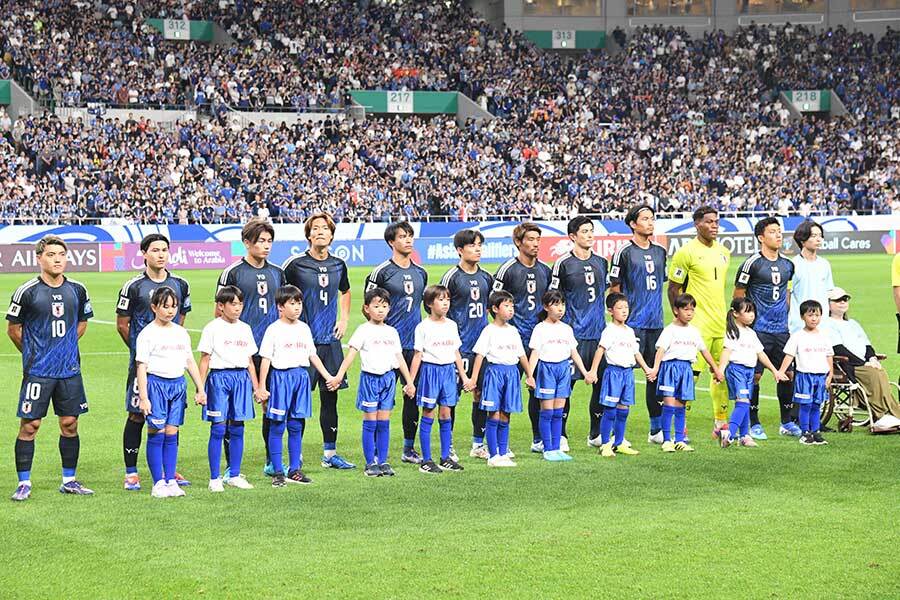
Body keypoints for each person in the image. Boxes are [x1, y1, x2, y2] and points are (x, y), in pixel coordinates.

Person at [8, 236, 95, 501]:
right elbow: (13, 330)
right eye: (51, 255)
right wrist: (36, 352)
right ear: (39, 258)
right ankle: (24, 483)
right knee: (31, 425)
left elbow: (81, 323)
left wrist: (64, 347)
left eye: (61, 254)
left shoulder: (78, 289)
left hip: (69, 370)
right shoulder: (27, 291)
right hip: (38, 371)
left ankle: (69, 480)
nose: (57, 259)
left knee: (70, 424)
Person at [116, 233, 192, 491]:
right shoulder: (133, 286)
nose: (161, 254)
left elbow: (180, 319)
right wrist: (145, 353)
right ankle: (131, 471)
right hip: (144, 365)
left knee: (172, 416)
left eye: (164, 250)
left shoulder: (180, 284)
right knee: (138, 414)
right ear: (144, 254)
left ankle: (168, 470)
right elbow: (122, 324)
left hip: (170, 367)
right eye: (155, 250)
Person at [282, 213, 355, 470]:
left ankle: (329, 454)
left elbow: (345, 291)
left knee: (330, 398)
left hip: (330, 342)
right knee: (299, 400)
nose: (321, 232)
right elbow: (281, 296)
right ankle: (295, 454)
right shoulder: (295, 264)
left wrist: (344, 318)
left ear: (332, 235)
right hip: (303, 344)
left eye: (325, 228)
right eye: (316, 228)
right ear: (308, 235)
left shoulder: (339, 264)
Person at [217, 218, 285, 478]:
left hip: (270, 352)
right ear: (247, 243)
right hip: (240, 352)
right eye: (260, 241)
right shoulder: (232, 273)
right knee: (235, 410)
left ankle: (272, 460)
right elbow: (219, 312)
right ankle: (230, 467)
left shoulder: (278, 272)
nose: (266, 246)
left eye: (269, 241)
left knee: (271, 407)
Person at [328, 288, 416, 478]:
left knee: (384, 422)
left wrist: (409, 382)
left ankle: (382, 461)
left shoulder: (392, 332)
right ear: (367, 308)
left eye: (384, 306)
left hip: (388, 380)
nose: (381, 310)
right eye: (376, 306)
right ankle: (370, 463)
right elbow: (351, 355)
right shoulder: (363, 330)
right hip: (370, 380)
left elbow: (399, 358)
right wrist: (338, 376)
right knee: (370, 423)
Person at [258, 286, 335, 487]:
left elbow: (312, 355)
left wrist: (328, 376)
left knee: (296, 424)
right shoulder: (273, 329)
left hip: (301, 377)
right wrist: (261, 387)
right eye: (292, 303)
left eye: (299, 303)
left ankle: (294, 469)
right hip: (281, 378)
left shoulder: (304, 328)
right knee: (277, 425)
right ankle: (276, 471)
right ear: (280, 307)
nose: (297, 307)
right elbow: (265, 359)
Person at [364, 222, 428, 465]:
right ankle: (379, 453)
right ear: (392, 242)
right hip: (388, 348)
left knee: (412, 396)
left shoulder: (421, 272)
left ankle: (408, 448)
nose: (408, 240)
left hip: (415, 346)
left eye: (410, 236)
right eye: (403, 236)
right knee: (383, 399)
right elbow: (368, 307)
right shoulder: (381, 272)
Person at [134, 287, 205, 498]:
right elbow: (141, 367)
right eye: (165, 306)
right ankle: (158, 483)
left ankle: (171, 481)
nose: (170, 311)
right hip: (156, 385)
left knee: (172, 433)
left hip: (177, 385)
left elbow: (190, 361)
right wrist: (144, 398)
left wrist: (200, 388)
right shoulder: (147, 334)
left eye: (174, 306)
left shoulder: (181, 332)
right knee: (157, 433)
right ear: (154, 307)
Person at [668, 207, 731, 435]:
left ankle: (720, 423)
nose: (714, 226)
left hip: (720, 324)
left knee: (721, 374)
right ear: (697, 224)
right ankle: (681, 425)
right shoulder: (685, 253)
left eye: (716, 222)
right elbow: (674, 288)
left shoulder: (724, 251)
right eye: (709, 222)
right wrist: (680, 319)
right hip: (697, 325)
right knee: (690, 377)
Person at [733, 217, 798, 439]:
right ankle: (754, 423)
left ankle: (787, 422)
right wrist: (743, 325)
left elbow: (787, 294)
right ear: (761, 237)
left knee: (788, 374)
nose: (779, 235)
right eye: (773, 232)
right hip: (758, 330)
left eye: (779, 231)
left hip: (781, 330)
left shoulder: (788, 265)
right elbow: (738, 296)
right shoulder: (752, 263)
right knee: (755, 377)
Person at [608, 204, 667, 444]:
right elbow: (614, 288)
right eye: (645, 219)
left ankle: (655, 430)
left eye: (652, 218)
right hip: (632, 325)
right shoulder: (623, 252)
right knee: (620, 375)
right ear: (633, 224)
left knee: (655, 376)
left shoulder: (661, 251)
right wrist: (621, 320)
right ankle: (613, 432)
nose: (650, 222)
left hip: (656, 324)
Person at [548, 216, 608, 450]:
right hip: (573, 335)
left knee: (601, 384)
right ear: (572, 236)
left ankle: (596, 433)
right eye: (584, 231)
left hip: (598, 334)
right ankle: (560, 434)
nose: (590, 235)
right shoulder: (563, 264)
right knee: (566, 387)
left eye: (591, 230)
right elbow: (554, 298)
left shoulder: (602, 262)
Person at [493, 223, 552, 454]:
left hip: (538, 341)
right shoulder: (507, 269)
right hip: (512, 341)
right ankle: (492, 441)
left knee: (537, 389)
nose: (536, 243)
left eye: (538, 239)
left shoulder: (546, 271)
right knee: (503, 390)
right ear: (518, 242)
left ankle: (538, 438)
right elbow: (494, 301)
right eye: (530, 239)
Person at [198, 285, 264, 492]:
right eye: (233, 304)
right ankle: (214, 478)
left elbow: (250, 361)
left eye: (240, 304)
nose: (237, 308)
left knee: (238, 427)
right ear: (221, 306)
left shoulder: (245, 328)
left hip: (241, 378)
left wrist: (257, 388)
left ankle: (234, 474)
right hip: (219, 379)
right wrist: (200, 389)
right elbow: (204, 360)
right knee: (218, 428)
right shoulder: (212, 328)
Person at [439, 229, 493, 460]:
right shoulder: (452, 277)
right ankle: (447, 445)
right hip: (458, 348)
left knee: (480, 394)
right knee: (452, 397)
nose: (478, 249)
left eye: (480, 245)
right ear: (460, 250)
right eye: (472, 245)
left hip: (481, 348)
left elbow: (492, 307)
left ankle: (478, 444)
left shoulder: (487, 277)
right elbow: (437, 308)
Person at [409, 285, 473, 474]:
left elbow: (456, 353)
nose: (445, 304)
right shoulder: (423, 327)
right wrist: (411, 382)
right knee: (428, 413)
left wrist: (464, 377)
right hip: (430, 372)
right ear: (429, 303)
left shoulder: (451, 325)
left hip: (448, 372)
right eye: (441, 300)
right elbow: (417, 355)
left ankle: (445, 457)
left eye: (447, 300)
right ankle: (426, 461)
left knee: (446, 414)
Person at [651, 294, 724, 453]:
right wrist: (655, 368)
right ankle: (667, 440)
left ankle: (679, 440)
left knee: (681, 406)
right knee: (669, 405)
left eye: (692, 309)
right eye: (686, 309)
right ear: (676, 311)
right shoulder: (669, 330)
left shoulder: (694, 332)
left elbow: (704, 351)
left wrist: (716, 369)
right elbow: (661, 351)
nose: (690, 313)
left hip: (686, 370)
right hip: (670, 368)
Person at [527, 290, 594, 462]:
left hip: (563, 370)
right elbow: (535, 353)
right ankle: (547, 448)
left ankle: (556, 448)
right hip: (546, 370)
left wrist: (585, 372)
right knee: (547, 411)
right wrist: (530, 375)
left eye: (562, 304)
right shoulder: (540, 329)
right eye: (556, 304)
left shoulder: (566, 329)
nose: (560, 308)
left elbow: (574, 353)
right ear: (545, 307)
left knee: (558, 412)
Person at [471, 291, 534, 467]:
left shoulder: (513, 331)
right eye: (506, 306)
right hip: (494, 373)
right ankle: (493, 455)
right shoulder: (488, 331)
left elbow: (521, 355)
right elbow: (479, 356)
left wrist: (529, 375)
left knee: (506, 414)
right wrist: (474, 378)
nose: (511, 309)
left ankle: (503, 451)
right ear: (495, 309)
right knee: (494, 414)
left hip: (512, 373)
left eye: (512, 306)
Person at [717, 298, 789, 448]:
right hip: (737, 370)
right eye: (747, 311)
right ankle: (729, 433)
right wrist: (721, 370)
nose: (752, 315)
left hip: (749, 371)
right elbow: (726, 351)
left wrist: (775, 371)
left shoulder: (751, 333)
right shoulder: (733, 333)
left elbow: (761, 354)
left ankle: (744, 436)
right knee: (743, 402)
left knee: (744, 403)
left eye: (753, 312)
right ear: (735, 313)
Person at [825, 289, 900, 429]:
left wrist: (872, 358)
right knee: (875, 374)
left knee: (879, 372)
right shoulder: (828, 324)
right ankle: (882, 415)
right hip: (847, 365)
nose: (842, 302)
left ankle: (890, 414)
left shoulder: (853, 323)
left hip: (863, 363)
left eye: (845, 299)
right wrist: (864, 363)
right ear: (828, 304)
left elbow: (867, 345)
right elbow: (839, 349)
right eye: (838, 300)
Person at [591, 293, 654, 458]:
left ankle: (619, 443)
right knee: (610, 410)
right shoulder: (609, 330)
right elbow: (600, 350)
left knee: (624, 410)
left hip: (627, 374)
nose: (624, 311)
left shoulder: (630, 331)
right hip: (614, 373)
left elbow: (636, 353)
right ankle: (605, 444)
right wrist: (593, 371)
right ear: (610, 311)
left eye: (626, 307)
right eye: (620, 308)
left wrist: (647, 368)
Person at [778, 300, 834, 445]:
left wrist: (830, 375)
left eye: (817, 315)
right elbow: (789, 355)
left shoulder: (824, 336)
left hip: (821, 376)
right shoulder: (797, 336)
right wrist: (781, 372)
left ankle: (816, 431)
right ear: (802, 317)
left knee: (817, 405)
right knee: (806, 405)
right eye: (810, 315)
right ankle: (805, 432)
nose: (814, 318)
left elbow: (829, 356)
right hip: (805, 376)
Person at [788, 220, 833, 334]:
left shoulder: (824, 264)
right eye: (813, 236)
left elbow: (829, 292)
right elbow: (787, 295)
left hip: (823, 325)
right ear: (802, 239)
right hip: (799, 325)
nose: (818, 239)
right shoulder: (792, 265)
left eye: (820, 236)